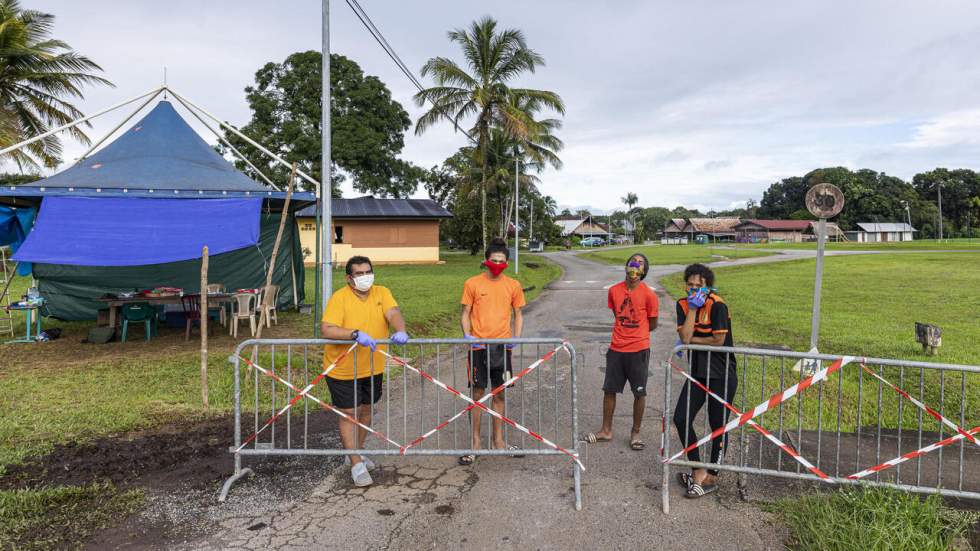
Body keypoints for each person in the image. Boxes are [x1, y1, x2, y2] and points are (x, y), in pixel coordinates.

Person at [321, 255, 409, 487]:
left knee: (367, 411)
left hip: (372, 366)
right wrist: (354, 334)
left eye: (367, 272)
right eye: (359, 274)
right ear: (349, 278)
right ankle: (355, 463)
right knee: (350, 413)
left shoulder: (382, 292)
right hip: (343, 368)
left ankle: (356, 453)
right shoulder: (339, 298)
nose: (364, 277)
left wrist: (401, 330)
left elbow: (393, 313)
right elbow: (327, 329)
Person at [458, 237, 526, 465]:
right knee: (477, 395)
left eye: (502, 261)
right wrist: (467, 335)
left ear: (506, 262)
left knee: (499, 394)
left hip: (502, 348)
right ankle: (475, 443)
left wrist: (515, 338)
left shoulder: (513, 285)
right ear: (486, 261)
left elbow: (518, 314)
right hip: (478, 347)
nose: (498, 264)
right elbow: (465, 313)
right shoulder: (472, 283)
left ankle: (499, 441)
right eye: (494, 260)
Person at [672, 263, 737, 498]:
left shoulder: (718, 305)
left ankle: (712, 475)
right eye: (690, 285)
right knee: (681, 418)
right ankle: (697, 468)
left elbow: (718, 342)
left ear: (707, 286)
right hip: (698, 373)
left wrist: (690, 341)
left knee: (717, 425)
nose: (694, 290)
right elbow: (685, 336)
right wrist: (691, 310)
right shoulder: (682, 304)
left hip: (722, 373)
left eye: (699, 286)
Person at [585, 253, 659, 450]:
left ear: (643, 271)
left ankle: (636, 432)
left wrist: (637, 332)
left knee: (639, 393)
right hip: (616, 348)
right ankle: (606, 430)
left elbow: (652, 323)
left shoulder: (649, 294)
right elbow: (617, 314)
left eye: (640, 263)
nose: (635, 265)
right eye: (632, 262)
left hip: (639, 349)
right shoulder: (614, 291)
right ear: (626, 266)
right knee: (609, 390)